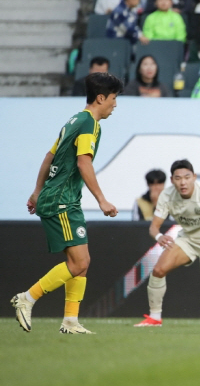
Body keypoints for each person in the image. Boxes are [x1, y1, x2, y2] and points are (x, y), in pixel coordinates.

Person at [12, 73, 123, 334]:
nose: (115, 105)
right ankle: (26, 298)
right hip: (62, 201)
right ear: (101, 97)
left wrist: (37, 191)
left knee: (81, 262)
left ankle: (70, 322)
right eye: (114, 98)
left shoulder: (73, 120)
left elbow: (50, 156)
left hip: (62, 198)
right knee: (79, 263)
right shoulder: (89, 124)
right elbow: (84, 162)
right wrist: (102, 200)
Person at [134, 160, 200, 328]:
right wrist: (158, 237)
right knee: (158, 270)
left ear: (194, 177)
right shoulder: (167, 196)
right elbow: (153, 227)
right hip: (189, 240)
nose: (183, 182)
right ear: (172, 180)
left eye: (187, 177)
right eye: (178, 178)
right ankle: (155, 317)